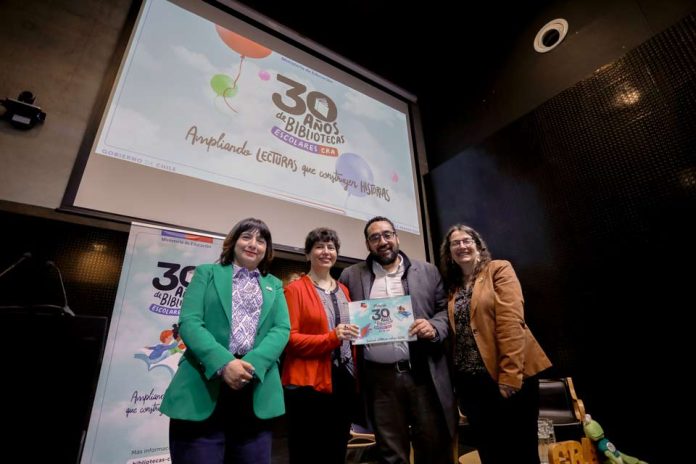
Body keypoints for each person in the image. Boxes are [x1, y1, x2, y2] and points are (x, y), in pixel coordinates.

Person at [160, 218, 290, 464]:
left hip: (255, 391)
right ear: (233, 242)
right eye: (246, 237)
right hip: (204, 385)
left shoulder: (274, 284)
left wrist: (250, 364)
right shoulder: (206, 273)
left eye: (261, 240)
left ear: (267, 249)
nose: (253, 244)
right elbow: (190, 322)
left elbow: (281, 329)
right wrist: (224, 363)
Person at [339, 216, 456, 464]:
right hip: (380, 380)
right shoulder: (351, 275)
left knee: (433, 448)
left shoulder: (427, 271)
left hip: (423, 375)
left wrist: (433, 326)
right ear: (368, 244)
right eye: (375, 237)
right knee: (391, 454)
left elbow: (445, 311)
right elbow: (339, 314)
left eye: (387, 235)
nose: (382, 241)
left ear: (397, 237)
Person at [440, 224, 552, 464]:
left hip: (506, 377)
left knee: (520, 452)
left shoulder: (499, 269)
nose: (461, 246)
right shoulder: (453, 287)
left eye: (467, 240)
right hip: (472, 385)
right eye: (455, 243)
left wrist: (511, 376)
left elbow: (512, 324)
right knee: (490, 453)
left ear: (478, 247)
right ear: (449, 253)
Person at [282, 227, 360, 464]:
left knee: (336, 450)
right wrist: (331, 338)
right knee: (307, 451)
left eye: (331, 247)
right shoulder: (294, 290)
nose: (326, 251)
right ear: (307, 254)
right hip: (309, 384)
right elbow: (290, 340)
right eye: (319, 246)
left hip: (343, 380)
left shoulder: (344, 290)